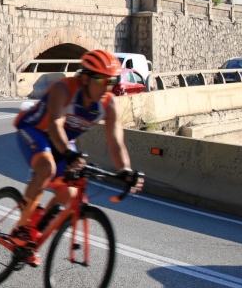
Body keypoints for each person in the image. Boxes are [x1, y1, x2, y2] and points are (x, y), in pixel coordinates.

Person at [12, 49, 144, 266]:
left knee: (70, 190)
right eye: (101, 79)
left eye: (111, 81)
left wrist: (126, 170)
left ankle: (36, 233)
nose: (106, 86)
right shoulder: (64, 89)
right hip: (34, 129)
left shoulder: (108, 104)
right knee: (47, 167)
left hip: (62, 141)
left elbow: (115, 141)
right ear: (85, 78)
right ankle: (23, 226)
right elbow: (54, 124)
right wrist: (69, 153)